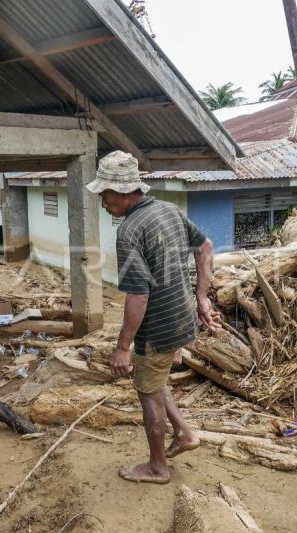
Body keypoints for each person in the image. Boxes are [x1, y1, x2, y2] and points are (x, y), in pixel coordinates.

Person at [85, 150, 221, 484]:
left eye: (105, 196)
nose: (104, 205)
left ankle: (158, 468)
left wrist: (122, 347)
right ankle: (185, 434)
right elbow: (206, 247)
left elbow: (139, 295)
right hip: (182, 319)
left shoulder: (130, 230)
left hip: (156, 329)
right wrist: (201, 298)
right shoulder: (169, 211)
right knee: (155, 379)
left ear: (124, 192)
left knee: (148, 393)